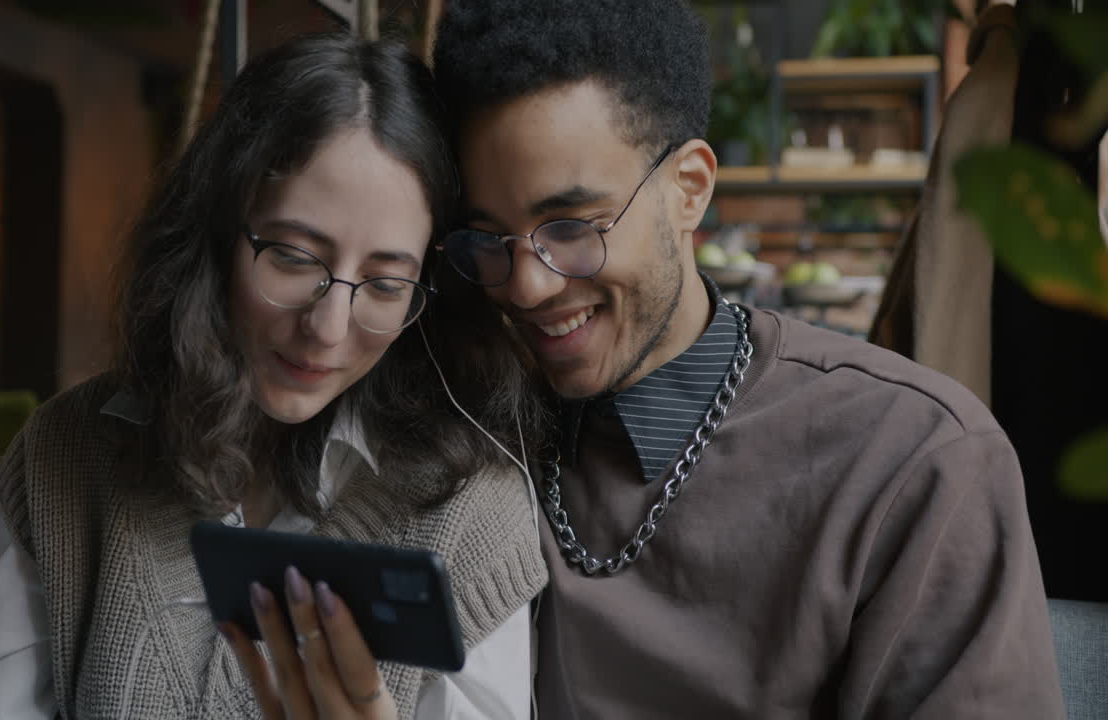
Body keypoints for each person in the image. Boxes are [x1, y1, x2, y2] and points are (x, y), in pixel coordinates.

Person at [427, 0, 1065, 717]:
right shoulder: (465, 427)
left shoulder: (911, 460)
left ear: (689, 189)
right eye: (490, 241)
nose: (529, 284)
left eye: (572, 227)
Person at [0, 33, 548, 720]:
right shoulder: (64, 461)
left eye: (386, 283)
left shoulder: (472, 513)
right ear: (216, 232)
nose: (330, 327)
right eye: (293, 257)